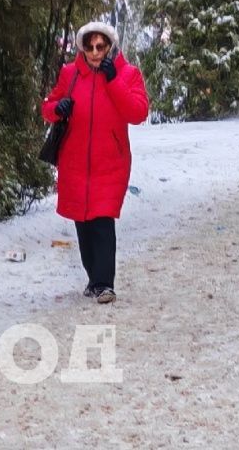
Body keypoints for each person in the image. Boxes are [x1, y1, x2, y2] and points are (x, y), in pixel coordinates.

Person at [41, 22, 149, 304]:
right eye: (89, 46)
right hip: (75, 161)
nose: (94, 52)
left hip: (110, 161)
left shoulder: (128, 74)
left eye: (100, 46)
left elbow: (137, 112)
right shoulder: (70, 74)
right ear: (82, 47)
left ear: (110, 46)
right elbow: (47, 107)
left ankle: (104, 283)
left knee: (102, 219)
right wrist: (58, 108)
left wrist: (114, 81)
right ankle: (93, 279)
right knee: (83, 222)